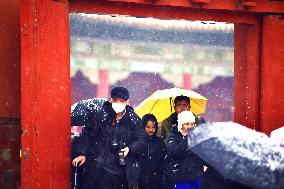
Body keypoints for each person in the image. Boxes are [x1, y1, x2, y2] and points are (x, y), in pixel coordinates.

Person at [72, 86, 146, 189]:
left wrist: (130, 148)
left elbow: (141, 139)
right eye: (115, 100)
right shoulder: (101, 116)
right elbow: (88, 135)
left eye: (122, 101)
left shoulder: (133, 119)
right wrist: (82, 153)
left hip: (123, 169)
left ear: (127, 102)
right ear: (111, 100)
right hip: (101, 167)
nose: (118, 103)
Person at [164, 111, 204, 189]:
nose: (190, 126)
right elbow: (174, 153)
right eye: (186, 124)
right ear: (181, 124)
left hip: (197, 177)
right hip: (180, 179)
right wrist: (186, 139)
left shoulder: (198, 137)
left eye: (192, 124)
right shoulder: (173, 136)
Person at [138, 114, 167, 189]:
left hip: (157, 180)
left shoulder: (160, 142)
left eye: (153, 127)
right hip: (142, 180)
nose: (151, 130)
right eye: (148, 127)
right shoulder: (138, 142)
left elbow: (164, 159)